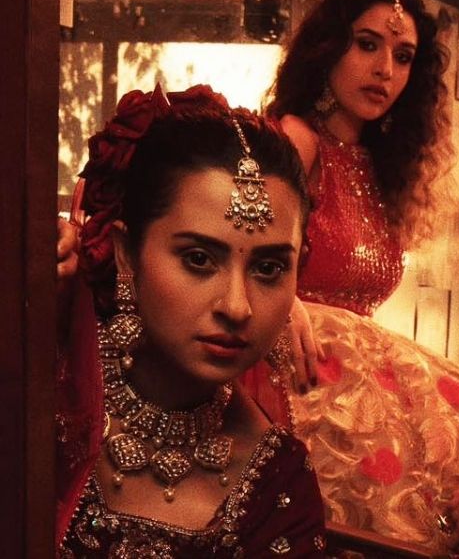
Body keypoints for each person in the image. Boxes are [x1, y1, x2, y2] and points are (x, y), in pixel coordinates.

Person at [263, 0, 459, 549]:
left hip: (361, 382)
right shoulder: (295, 140)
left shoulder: (381, 166)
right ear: (328, 49)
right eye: (367, 45)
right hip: (296, 376)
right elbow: (249, 253)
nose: (385, 69)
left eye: (403, 56)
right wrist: (285, 299)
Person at [56, 85, 327, 556]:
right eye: (199, 259)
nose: (237, 307)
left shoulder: (278, 484)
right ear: (126, 253)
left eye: (268, 268)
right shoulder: (49, 397)